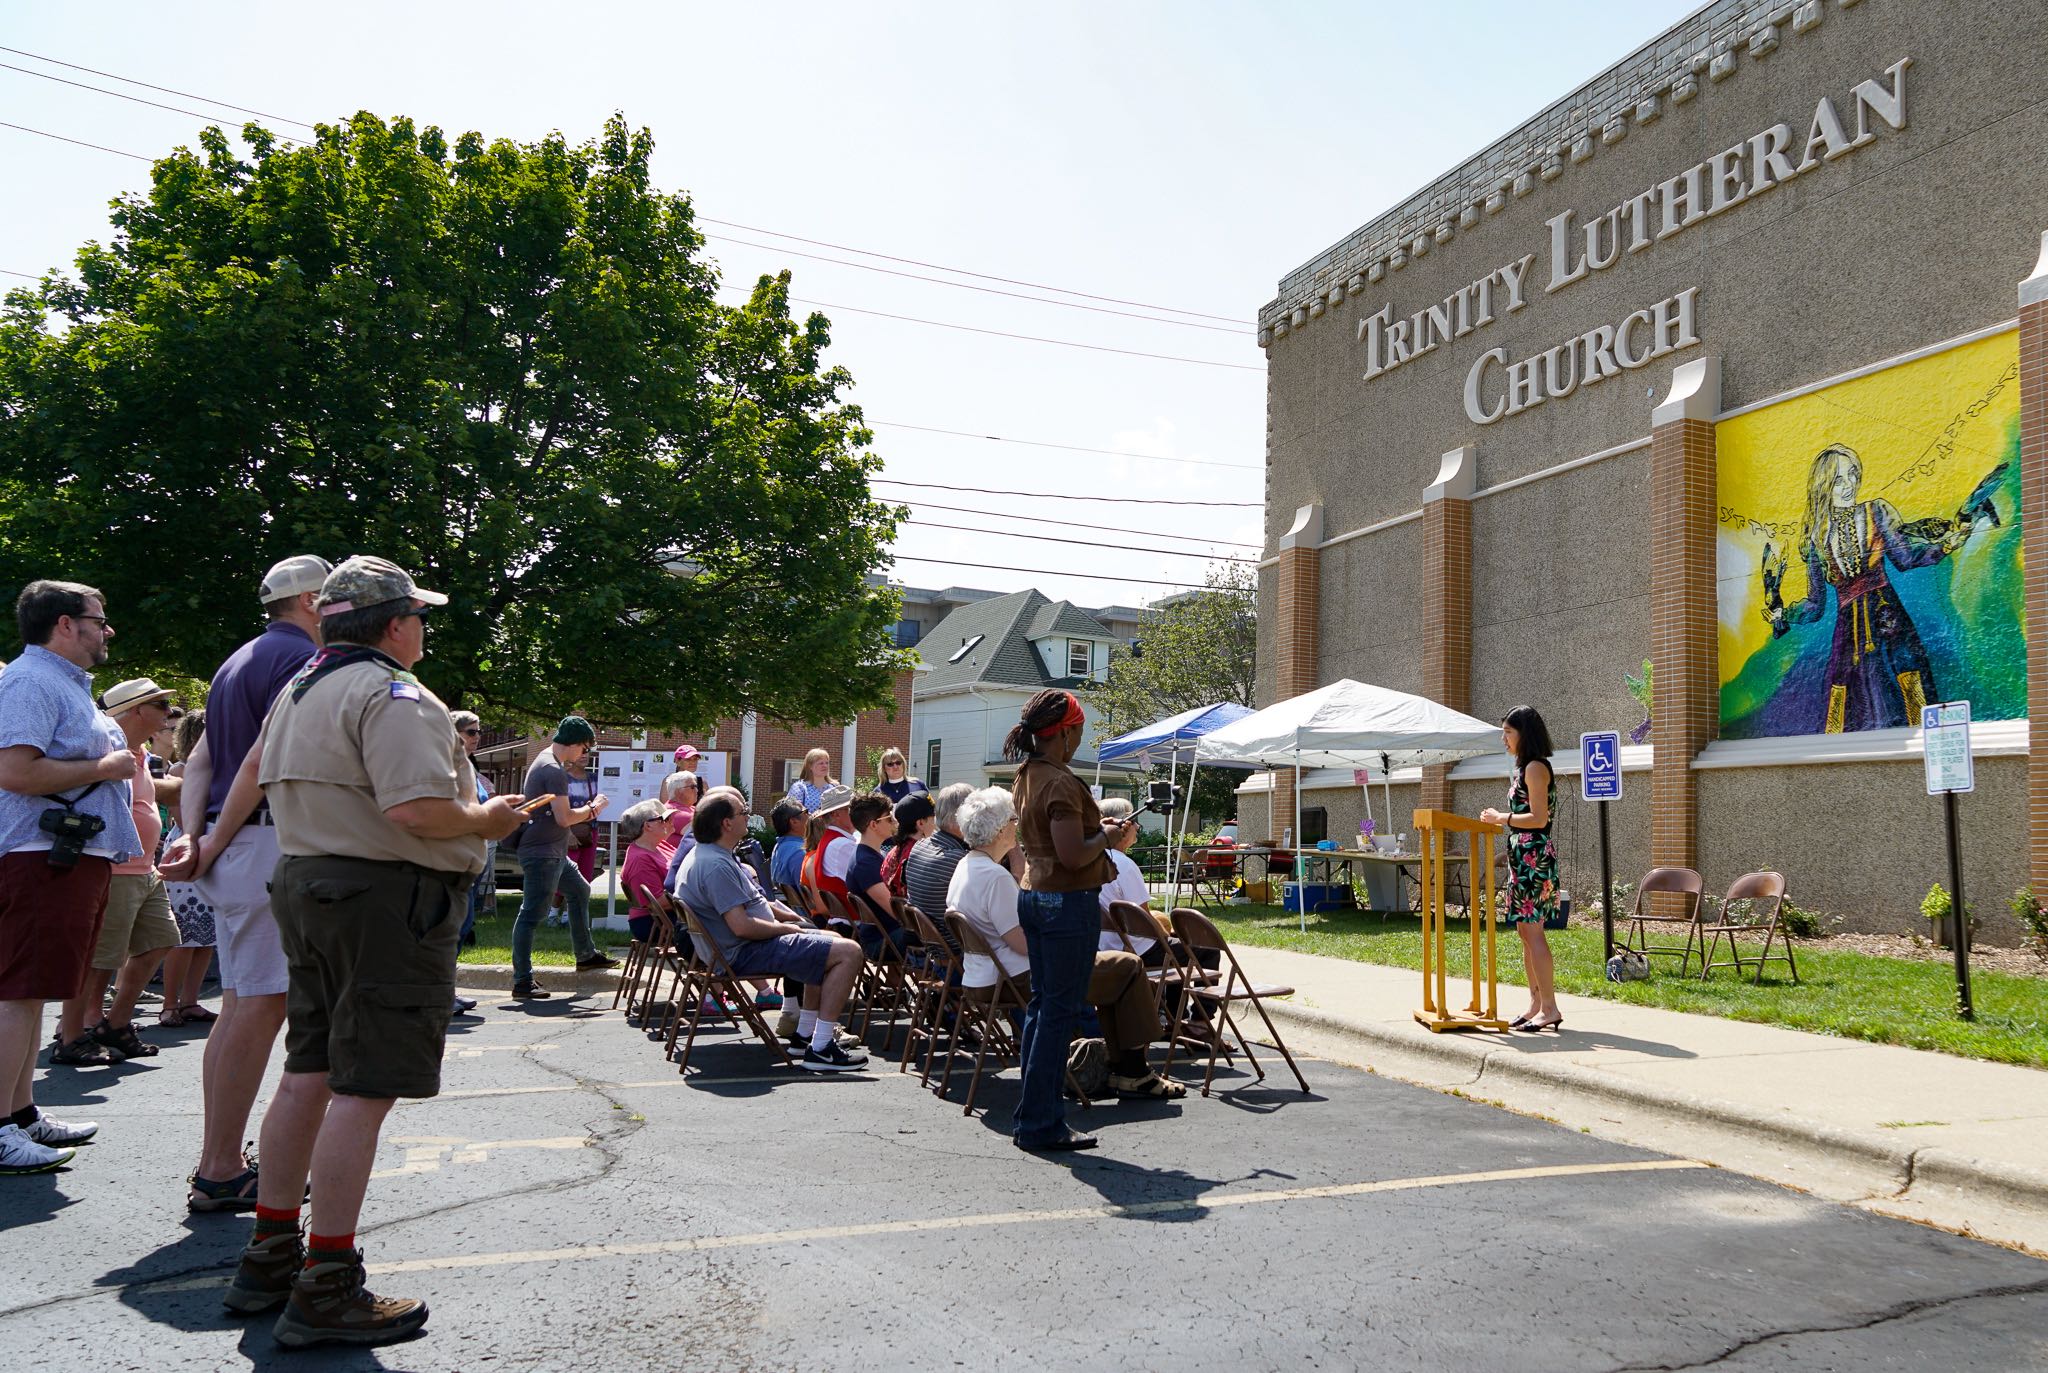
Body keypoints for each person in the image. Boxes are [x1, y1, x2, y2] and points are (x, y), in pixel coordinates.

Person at [217, 555, 527, 1347]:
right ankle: (326, 1280)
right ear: (394, 624)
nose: (423, 628)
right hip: (383, 898)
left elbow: (257, 774)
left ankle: (271, 1251)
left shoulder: (300, 687)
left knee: (308, 1070)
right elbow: (418, 809)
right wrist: (489, 822)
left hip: (310, 882)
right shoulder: (394, 693)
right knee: (366, 1083)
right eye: (418, 615)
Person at [163, 553, 329, 1211]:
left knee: (240, 1005)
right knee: (258, 1007)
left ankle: (220, 1158)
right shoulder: (298, 661)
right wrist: (214, 837)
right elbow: (260, 762)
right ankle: (220, 1165)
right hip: (261, 842)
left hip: (236, 844)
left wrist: (195, 834)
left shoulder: (238, 659)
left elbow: (199, 755)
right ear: (313, 602)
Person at [0, 580, 139, 1174]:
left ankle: (23, 1112)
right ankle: (2, 1127)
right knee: (18, 990)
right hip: (40, 854)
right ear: (64, 624)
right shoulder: (30, 681)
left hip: (63, 856)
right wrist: (107, 765)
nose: (107, 629)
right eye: (98, 619)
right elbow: (16, 771)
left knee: (32, 991)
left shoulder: (57, 683)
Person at [1006, 689, 1180, 1153]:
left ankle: (1032, 1117)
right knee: (1056, 1015)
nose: (1080, 739)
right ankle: (1041, 1124)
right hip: (1065, 903)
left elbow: (1052, 843)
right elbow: (1071, 853)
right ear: (1064, 733)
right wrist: (1104, 835)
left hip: (1037, 897)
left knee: (1043, 1010)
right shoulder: (1060, 781)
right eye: (1079, 731)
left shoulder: (1028, 773)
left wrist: (1095, 832)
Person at [947, 786, 1174, 1120]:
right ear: (999, 830)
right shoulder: (993, 877)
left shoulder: (968, 866)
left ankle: (1123, 1066)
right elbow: (1023, 942)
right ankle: (1133, 1071)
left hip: (987, 975)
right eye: (1013, 820)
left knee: (1116, 970)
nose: (1018, 825)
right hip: (1022, 976)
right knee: (1128, 965)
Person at [1763, 443, 1975, 733]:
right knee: (1850, 698)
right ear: (1823, 486)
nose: (1849, 484)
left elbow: (1906, 558)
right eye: (1838, 479)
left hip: (1890, 622)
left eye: (1852, 474)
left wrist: (1950, 543)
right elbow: (1814, 606)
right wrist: (1783, 615)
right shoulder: (1815, 540)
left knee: (1907, 681)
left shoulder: (1877, 512)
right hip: (1848, 636)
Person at [673, 788, 870, 1072]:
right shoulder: (714, 865)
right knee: (849, 951)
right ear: (726, 824)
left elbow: (759, 902)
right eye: (742, 813)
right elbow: (741, 927)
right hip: (741, 953)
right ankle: (822, 1048)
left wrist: (798, 923)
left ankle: (804, 1036)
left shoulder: (712, 854)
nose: (748, 817)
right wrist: (788, 930)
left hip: (739, 948)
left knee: (831, 940)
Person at [50, 679, 182, 1064]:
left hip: (144, 868)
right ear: (136, 710)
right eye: (159, 705)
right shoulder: (105, 748)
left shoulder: (138, 755)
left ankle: (115, 1023)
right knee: (99, 957)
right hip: (115, 866)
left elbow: (151, 795)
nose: (168, 714)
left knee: (161, 938)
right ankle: (73, 1033)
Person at [509, 716, 613, 999]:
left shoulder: (545, 760)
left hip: (551, 851)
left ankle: (585, 954)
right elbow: (564, 817)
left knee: (580, 890)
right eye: (585, 748)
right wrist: (594, 808)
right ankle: (522, 981)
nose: (584, 755)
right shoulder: (553, 770)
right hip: (543, 853)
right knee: (532, 914)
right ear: (576, 743)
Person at [1480, 706, 1563, 1032]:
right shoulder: (1526, 769)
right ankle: (1535, 1003)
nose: (1504, 738)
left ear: (1524, 734)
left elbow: (1539, 818)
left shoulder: (1535, 768)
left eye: (1508, 732)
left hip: (1534, 856)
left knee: (1534, 932)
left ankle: (1550, 1007)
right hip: (1523, 857)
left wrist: (1502, 817)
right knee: (1525, 933)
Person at [158, 707, 217, 1028]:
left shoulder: (220, 767)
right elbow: (182, 821)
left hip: (209, 850)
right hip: (186, 850)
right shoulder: (181, 770)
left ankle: (190, 1001)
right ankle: (170, 1004)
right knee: (183, 936)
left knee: (206, 937)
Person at [904, 782, 973, 933]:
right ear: (963, 816)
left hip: (928, 944)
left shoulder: (919, 846)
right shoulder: (958, 859)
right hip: (956, 947)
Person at [1095, 798, 1158, 962]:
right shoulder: (1124, 864)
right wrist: (1167, 936)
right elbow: (1144, 919)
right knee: (1207, 951)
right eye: (1133, 821)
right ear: (1120, 826)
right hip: (1130, 947)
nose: (1137, 827)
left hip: (1099, 944)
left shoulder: (1090, 859)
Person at [615, 799, 673, 942]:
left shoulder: (659, 846)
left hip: (669, 916)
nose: (665, 821)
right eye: (660, 819)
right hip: (654, 923)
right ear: (647, 826)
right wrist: (694, 893)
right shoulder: (640, 859)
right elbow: (657, 902)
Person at [881, 792, 935, 905]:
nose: (935, 823)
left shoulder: (893, 852)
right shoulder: (922, 855)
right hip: (915, 920)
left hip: (901, 918)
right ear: (920, 823)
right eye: (932, 818)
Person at [768, 799, 807, 895]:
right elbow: (808, 897)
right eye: (806, 812)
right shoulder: (799, 853)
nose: (810, 816)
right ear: (794, 822)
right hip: (800, 910)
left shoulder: (780, 846)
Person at [784, 748, 834, 814]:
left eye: (827, 763)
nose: (825, 766)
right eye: (821, 763)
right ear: (810, 766)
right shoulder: (800, 787)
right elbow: (791, 810)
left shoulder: (834, 787)